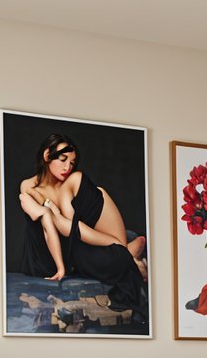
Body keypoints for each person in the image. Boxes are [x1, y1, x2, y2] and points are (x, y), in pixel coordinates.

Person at [17, 133, 147, 321]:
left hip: (77, 239)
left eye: (71, 162)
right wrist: (60, 269)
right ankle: (124, 251)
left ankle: (122, 249)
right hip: (54, 251)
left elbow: (74, 224)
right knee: (114, 251)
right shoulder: (29, 187)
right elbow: (49, 225)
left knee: (93, 189)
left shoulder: (68, 182)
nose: (67, 167)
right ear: (47, 156)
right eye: (62, 160)